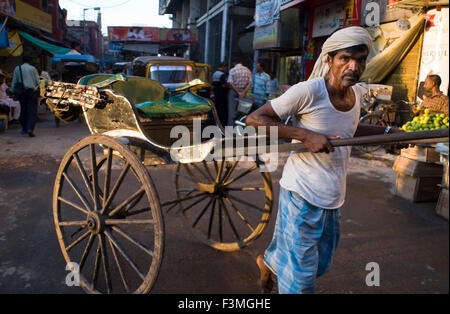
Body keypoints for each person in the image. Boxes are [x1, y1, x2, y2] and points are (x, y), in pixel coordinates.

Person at [246, 26, 402, 294]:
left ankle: (270, 262)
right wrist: (304, 134)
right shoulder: (308, 91)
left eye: (360, 59)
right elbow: (255, 119)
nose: (353, 66)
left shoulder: (357, 95)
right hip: (301, 193)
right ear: (330, 60)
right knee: (301, 279)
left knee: (321, 263)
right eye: (345, 58)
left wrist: (388, 133)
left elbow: (348, 130)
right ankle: (281, 272)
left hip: (332, 196)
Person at [10, 56, 40, 137]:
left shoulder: (17, 68)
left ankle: (24, 128)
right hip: (31, 92)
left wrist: (12, 92)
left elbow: (14, 81)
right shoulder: (33, 69)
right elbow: (37, 82)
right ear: (30, 61)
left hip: (21, 92)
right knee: (32, 111)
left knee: (23, 110)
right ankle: (30, 128)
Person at [227, 59, 252, 125]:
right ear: (241, 62)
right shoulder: (247, 70)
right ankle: (240, 129)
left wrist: (238, 92)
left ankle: (230, 130)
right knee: (243, 112)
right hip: (244, 93)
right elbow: (250, 83)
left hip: (234, 92)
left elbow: (231, 83)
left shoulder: (232, 70)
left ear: (234, 63)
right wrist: (243, 92)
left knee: (232, 113)